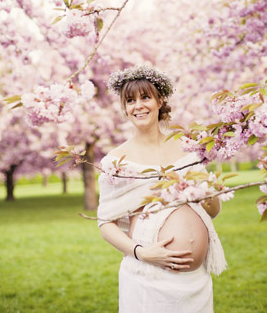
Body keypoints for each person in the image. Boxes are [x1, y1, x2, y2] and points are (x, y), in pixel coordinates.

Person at [97, 65, 226, 312]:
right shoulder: (115, 161)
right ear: (124, 108)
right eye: (130, 100)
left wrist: (207, 190)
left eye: (145, 97)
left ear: (160, 100)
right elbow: (105, 223)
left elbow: (213, 210)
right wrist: (142, 253)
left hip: (195, 281)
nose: (138, 106)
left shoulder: (187, 147)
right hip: (148, 276)